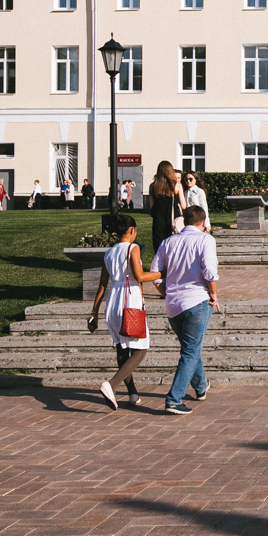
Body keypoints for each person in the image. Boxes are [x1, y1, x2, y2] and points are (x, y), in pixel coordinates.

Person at [149, 205, 220, 415]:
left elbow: (155, 271)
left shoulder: (168, 242)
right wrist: (213, 293)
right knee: (190, 351)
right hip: (197, 300)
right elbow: (209, 269)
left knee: (191, 347)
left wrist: (165, 291)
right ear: (203, 222)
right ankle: (174, 398)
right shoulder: (205, 240)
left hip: (173, 304)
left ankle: (200, 386)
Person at [87, 215, 163, 410]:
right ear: (131, 230)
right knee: (140, 349)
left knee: (122, 348)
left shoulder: (109, 253)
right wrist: (163, 273)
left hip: (113, 301)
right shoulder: (133, 248)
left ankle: (132, 393)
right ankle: (111, 385)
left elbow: (102, 285)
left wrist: (94, 312)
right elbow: (139, 276)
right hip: (130, 300)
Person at [149, 161, 186, 255]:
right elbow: (183, 205)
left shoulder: (153, 186)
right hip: (173, 218)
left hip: (158, 218)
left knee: (159, 246)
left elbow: (151, 206)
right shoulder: (176, 186)